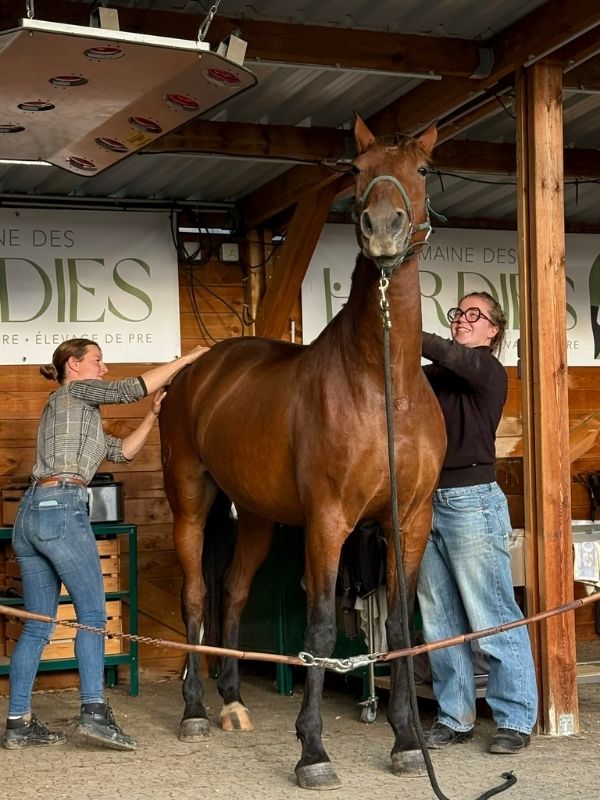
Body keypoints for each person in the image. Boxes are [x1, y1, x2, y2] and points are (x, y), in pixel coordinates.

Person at [2, 339, 209, 751]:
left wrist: (151, 417)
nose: (105, 368)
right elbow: (130, 388)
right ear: (74, 365)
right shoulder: (74, 391)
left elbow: (124, 453)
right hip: (61, 507)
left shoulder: (79, 415)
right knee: (93, 614)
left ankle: (18, 723)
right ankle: (94, 712)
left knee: (40, 625)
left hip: (31, 513)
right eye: (98, 361)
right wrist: (188, 359)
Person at [417, 291, 538, 755]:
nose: (464, 319)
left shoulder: (487, 370)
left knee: (492, 615)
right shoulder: (435, 376)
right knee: (439, 616)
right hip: (424, 500)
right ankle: (455, 716)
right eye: (459, 313)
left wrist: (407, 332)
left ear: (492, 331)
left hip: (472, 500)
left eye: (475, 314)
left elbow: (448, 354)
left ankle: (515, 717)